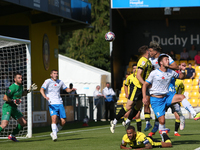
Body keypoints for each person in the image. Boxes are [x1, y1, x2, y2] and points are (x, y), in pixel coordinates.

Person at [142, 55, 200, 141]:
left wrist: (183, 70)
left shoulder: (171, 72)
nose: (168, 61)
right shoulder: (154, 73)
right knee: (162, 121)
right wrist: (144, 97)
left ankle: (194, 114)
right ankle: (164, 139)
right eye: (166, 60)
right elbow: (145, 84)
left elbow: (181, 77)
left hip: (167, 97)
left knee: (181, 96)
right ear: (161, 63)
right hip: (156, 100)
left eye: (168, 59)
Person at [110, 45, 152, 133]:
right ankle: (114, 121)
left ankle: (127, 120)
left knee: (138, 106)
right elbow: (138, 75)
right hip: (137, 87)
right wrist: (145, 84)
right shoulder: (143, 60)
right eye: (149, 50)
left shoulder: (148, 61)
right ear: (147, 51)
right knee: (129, 106)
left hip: (142, 88)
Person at [40, 69, 76, 141]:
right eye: (54, 73)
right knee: (54, 119)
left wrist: (71, 90)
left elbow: (66, 89)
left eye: (57, 73)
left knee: (63, 122)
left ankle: (54, 132)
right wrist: (45, 96)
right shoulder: (47, 81)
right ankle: (55, 136)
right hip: (52, 103)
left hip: (60, 103)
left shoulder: (60, 82)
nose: (56, 75)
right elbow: (41, 89)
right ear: (51, 74)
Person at [0, 72, 37, 142]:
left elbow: (22, 94)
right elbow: (4, 98)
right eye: (19, 78)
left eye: (21, 78)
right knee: (4, 124)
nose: (21, 79)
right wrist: (13, 101)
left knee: (24, 122)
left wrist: (29, 90)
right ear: (15, 79)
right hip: (7, 107)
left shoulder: (21, 86)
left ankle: (12, 136)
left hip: (14, 108)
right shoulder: (12, 87)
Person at [122, 64, 142, 132]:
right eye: (133, 68)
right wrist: (127, 93)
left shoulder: (140, 77)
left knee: (137, 116)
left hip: (138, 98)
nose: (135, 69)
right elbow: (125, 85)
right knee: (126, 114)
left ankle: (139, 133)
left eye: (136, 68)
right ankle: (128, 131)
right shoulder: (129, 77)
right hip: (131, 98)